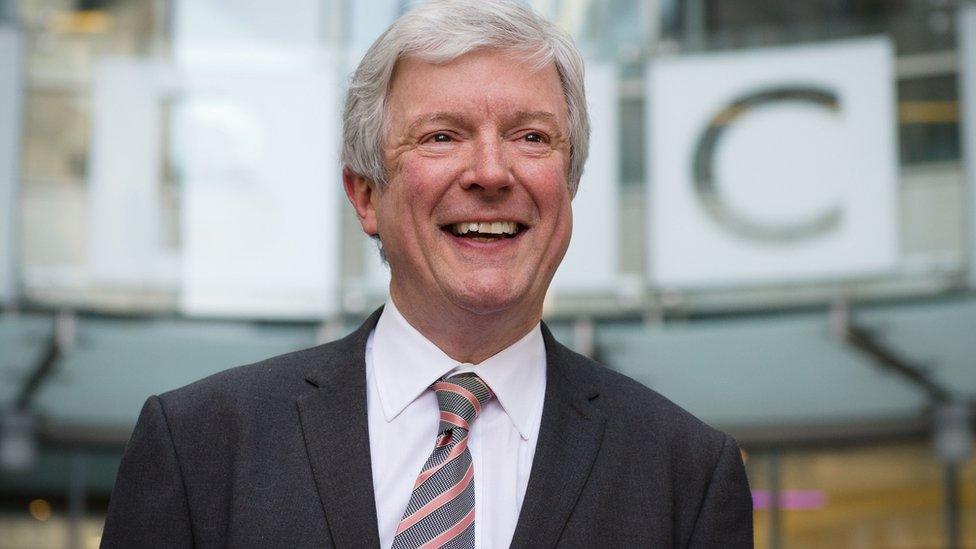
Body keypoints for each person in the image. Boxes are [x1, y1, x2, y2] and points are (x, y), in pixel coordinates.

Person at [101, 1, 753, 547]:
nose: (493, 173)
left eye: (531, 137)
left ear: (569, 184)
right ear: (364, 195)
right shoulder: (199, 447)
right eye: (442, 136)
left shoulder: (685, 474)